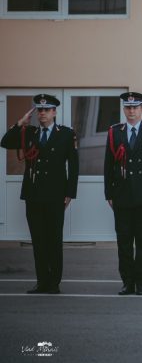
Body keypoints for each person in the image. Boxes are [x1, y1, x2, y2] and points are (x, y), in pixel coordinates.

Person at [1, 94, 79, 294]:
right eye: (40, 110)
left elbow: (74, 165)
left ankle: (54, 282)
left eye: (47, 110)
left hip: (55, 195)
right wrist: (20, 123)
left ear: (54, 112)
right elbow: (6, 142)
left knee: (53, 239)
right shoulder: (29, 133)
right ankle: (41, 281)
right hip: (33, 194)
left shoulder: (66, 134)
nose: (42, 113)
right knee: (38, 240)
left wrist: (70, 192)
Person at [104, 92, 142, 296]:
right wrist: (108, 193)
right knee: (125, 242)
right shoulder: (115, 132)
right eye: (128, 107)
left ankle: (141, 282)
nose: (131, 111)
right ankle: (127, 281)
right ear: (124, 110)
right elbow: (108, 165)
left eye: (135, 107)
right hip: (122, 195)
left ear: (141, 110)